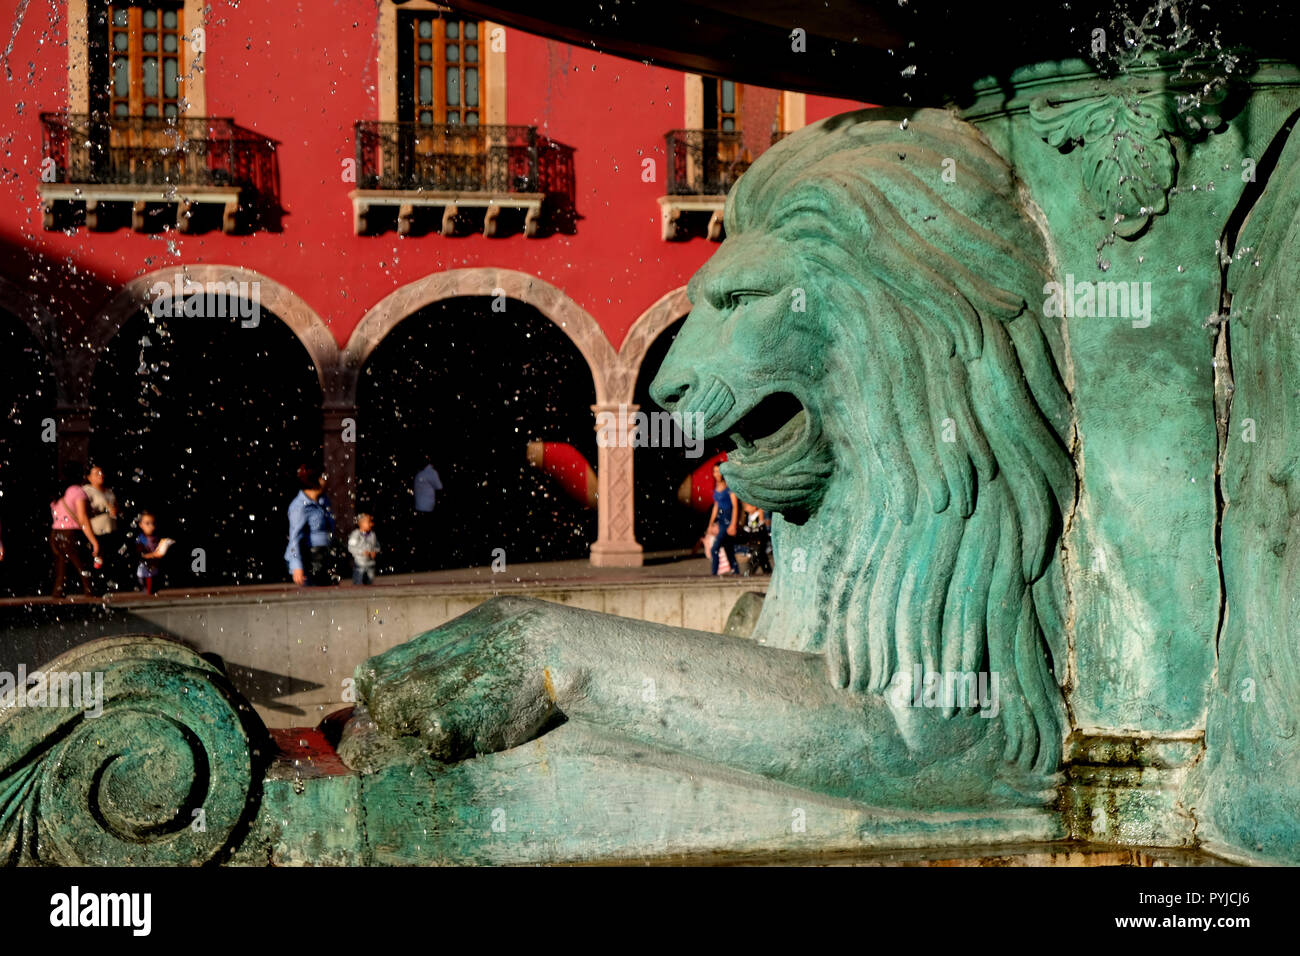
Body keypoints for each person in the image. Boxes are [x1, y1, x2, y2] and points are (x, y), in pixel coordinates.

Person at [49, 464, 99, 598]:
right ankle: (90, 590)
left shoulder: (59, 492)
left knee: (61, 567)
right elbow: (83, 518)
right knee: (81, 564)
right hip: (70, 533)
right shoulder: (77, 491)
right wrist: (94, 541)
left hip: (55, 534)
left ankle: (58, 592)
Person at [286, 463, 336, 586]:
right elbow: (294, 538)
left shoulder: (323, 501)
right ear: (315, 480)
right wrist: (296, 565)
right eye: (323, 477)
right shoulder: (299, 507)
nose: (326, 479)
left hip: (325, 556)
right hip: (310, 558)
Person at [83, 465, 119, 590]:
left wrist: (115, 510)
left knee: (109, 558)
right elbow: (84, 512)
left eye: (102, 472)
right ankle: (96, 586)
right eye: (97, 473)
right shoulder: (87, 490)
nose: (101, 475)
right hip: (96, 530)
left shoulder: (108, 491)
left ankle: (108, 584)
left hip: (111, 528)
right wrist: (104, 509)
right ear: (89, 477)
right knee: (97, 558)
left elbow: (115, 507)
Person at [705, 463, 739, 576]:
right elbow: (716, 506)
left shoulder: (729, 486)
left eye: (718, 471)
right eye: (715, 471)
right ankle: (736, 571)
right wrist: (710, 524)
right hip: (721, 518)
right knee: (728, 547)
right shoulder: (717, 486)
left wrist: (733, 524)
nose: (716, 474)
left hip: (728, 518)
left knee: (715, 549)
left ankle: (714, 574)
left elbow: (735, 506)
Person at [411, 457, 442, 571]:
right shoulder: (424, 473)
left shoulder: (429, 473)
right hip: (423, 507)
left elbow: (439, 487)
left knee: (425, 535)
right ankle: (425, 561)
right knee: (424, 536)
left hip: (426, 508)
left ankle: (427, 561)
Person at [135, 511, 166, 594]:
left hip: (155, 564)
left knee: (154, 580)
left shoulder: (157, 537)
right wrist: (152, 555)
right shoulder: (141, 539)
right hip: (145, 565)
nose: (151, 526)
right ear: (141, 525)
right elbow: (141, 554)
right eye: (147, 523)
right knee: (145, 580)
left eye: (153, 523)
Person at [348, 513, 380, 586]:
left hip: (370, 563)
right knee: (358, 580)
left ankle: (368, 591)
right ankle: (358, 590)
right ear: (361, 523)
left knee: (370, 579)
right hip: (360, 563)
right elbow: (351, 547)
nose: (371, 524)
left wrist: (374, 551)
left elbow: (377, 546)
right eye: (369, 522)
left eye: (371, 522)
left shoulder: (372, 534)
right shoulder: (356, 534)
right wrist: (361, 552)